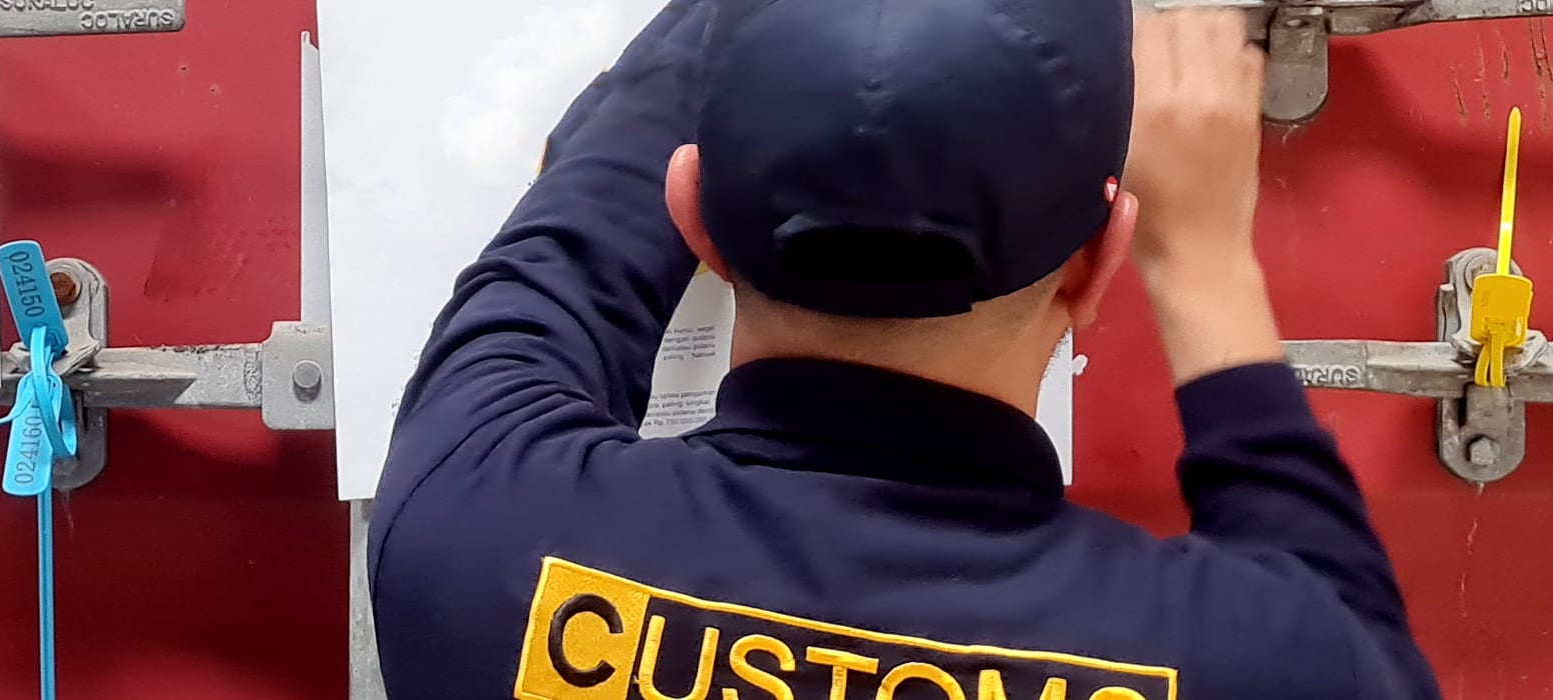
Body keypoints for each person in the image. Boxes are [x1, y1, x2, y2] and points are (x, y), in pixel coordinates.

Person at [367, 0, 1444, 697]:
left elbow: (572, 241)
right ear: (1096, 259)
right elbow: (1352, 628)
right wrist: (1202, 257)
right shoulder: (1252, 663)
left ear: (694, 218)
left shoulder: (474, 529)